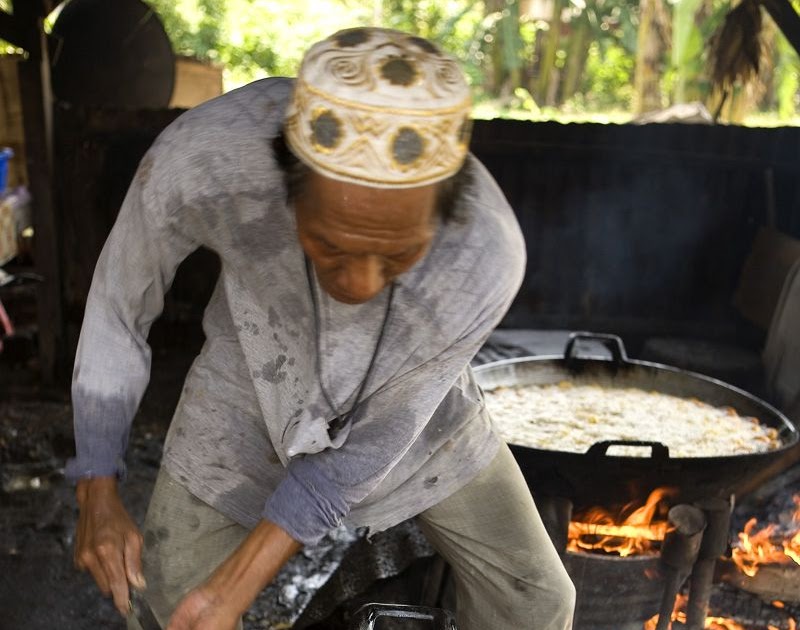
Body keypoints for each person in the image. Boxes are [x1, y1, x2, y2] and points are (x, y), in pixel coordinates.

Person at [67, 27, 576, 630]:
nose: (359, 283)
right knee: (172, 593)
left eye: (395, 256)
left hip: (416, 421)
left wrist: (235, 587)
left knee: (536, 599)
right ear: (288, 183)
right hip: (248, 383)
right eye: (330, 246)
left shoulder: (484, 255)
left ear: (441, 212)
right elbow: (118, 306)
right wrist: (95, 485)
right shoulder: (206, 161)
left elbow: (358, 454)